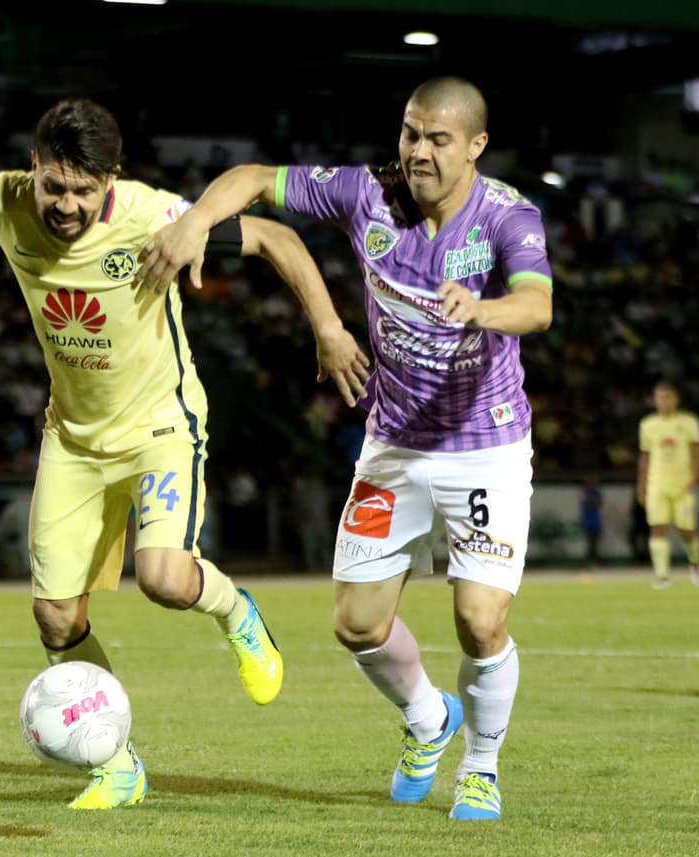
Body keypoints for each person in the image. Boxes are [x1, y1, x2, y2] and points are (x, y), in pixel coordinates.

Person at [0, 98, 369, 810]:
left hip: (160, 427)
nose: (66, 205)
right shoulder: (2, 200)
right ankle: (118, 764)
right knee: (55, 618)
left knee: (163, 578)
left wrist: (329, 328)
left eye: (84, 190)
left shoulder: (153, 216)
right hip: (72, 439)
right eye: (54, 186)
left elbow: (277, 239)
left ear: (112, 177)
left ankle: (237, 613)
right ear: (33, 166)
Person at [139, 76, 553, 821]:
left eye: (438, 139)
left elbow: (538, 304)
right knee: (356, 624)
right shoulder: (367, 193)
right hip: (393, 445)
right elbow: (254, 178)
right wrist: (196, 221)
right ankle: (428, 717)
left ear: (476, 147)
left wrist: (483, 309)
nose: (418, 151)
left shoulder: (507, 215)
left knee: (480, 619)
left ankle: (481, 767)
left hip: (484, 445)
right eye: (410, 133)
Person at [636, 380, 699, 588]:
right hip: (657, 485)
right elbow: (644, 458)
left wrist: (695, 478)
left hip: (683, 485)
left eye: (668, 397)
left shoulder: (689, 423)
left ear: (676, 399)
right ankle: (662, 575)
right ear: (654, 400)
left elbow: (696, 453)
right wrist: (641, 487)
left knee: (687, 530)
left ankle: (695, 563)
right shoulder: (648, 425)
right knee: (658, 528)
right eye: (660, 398)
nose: (665, 401)